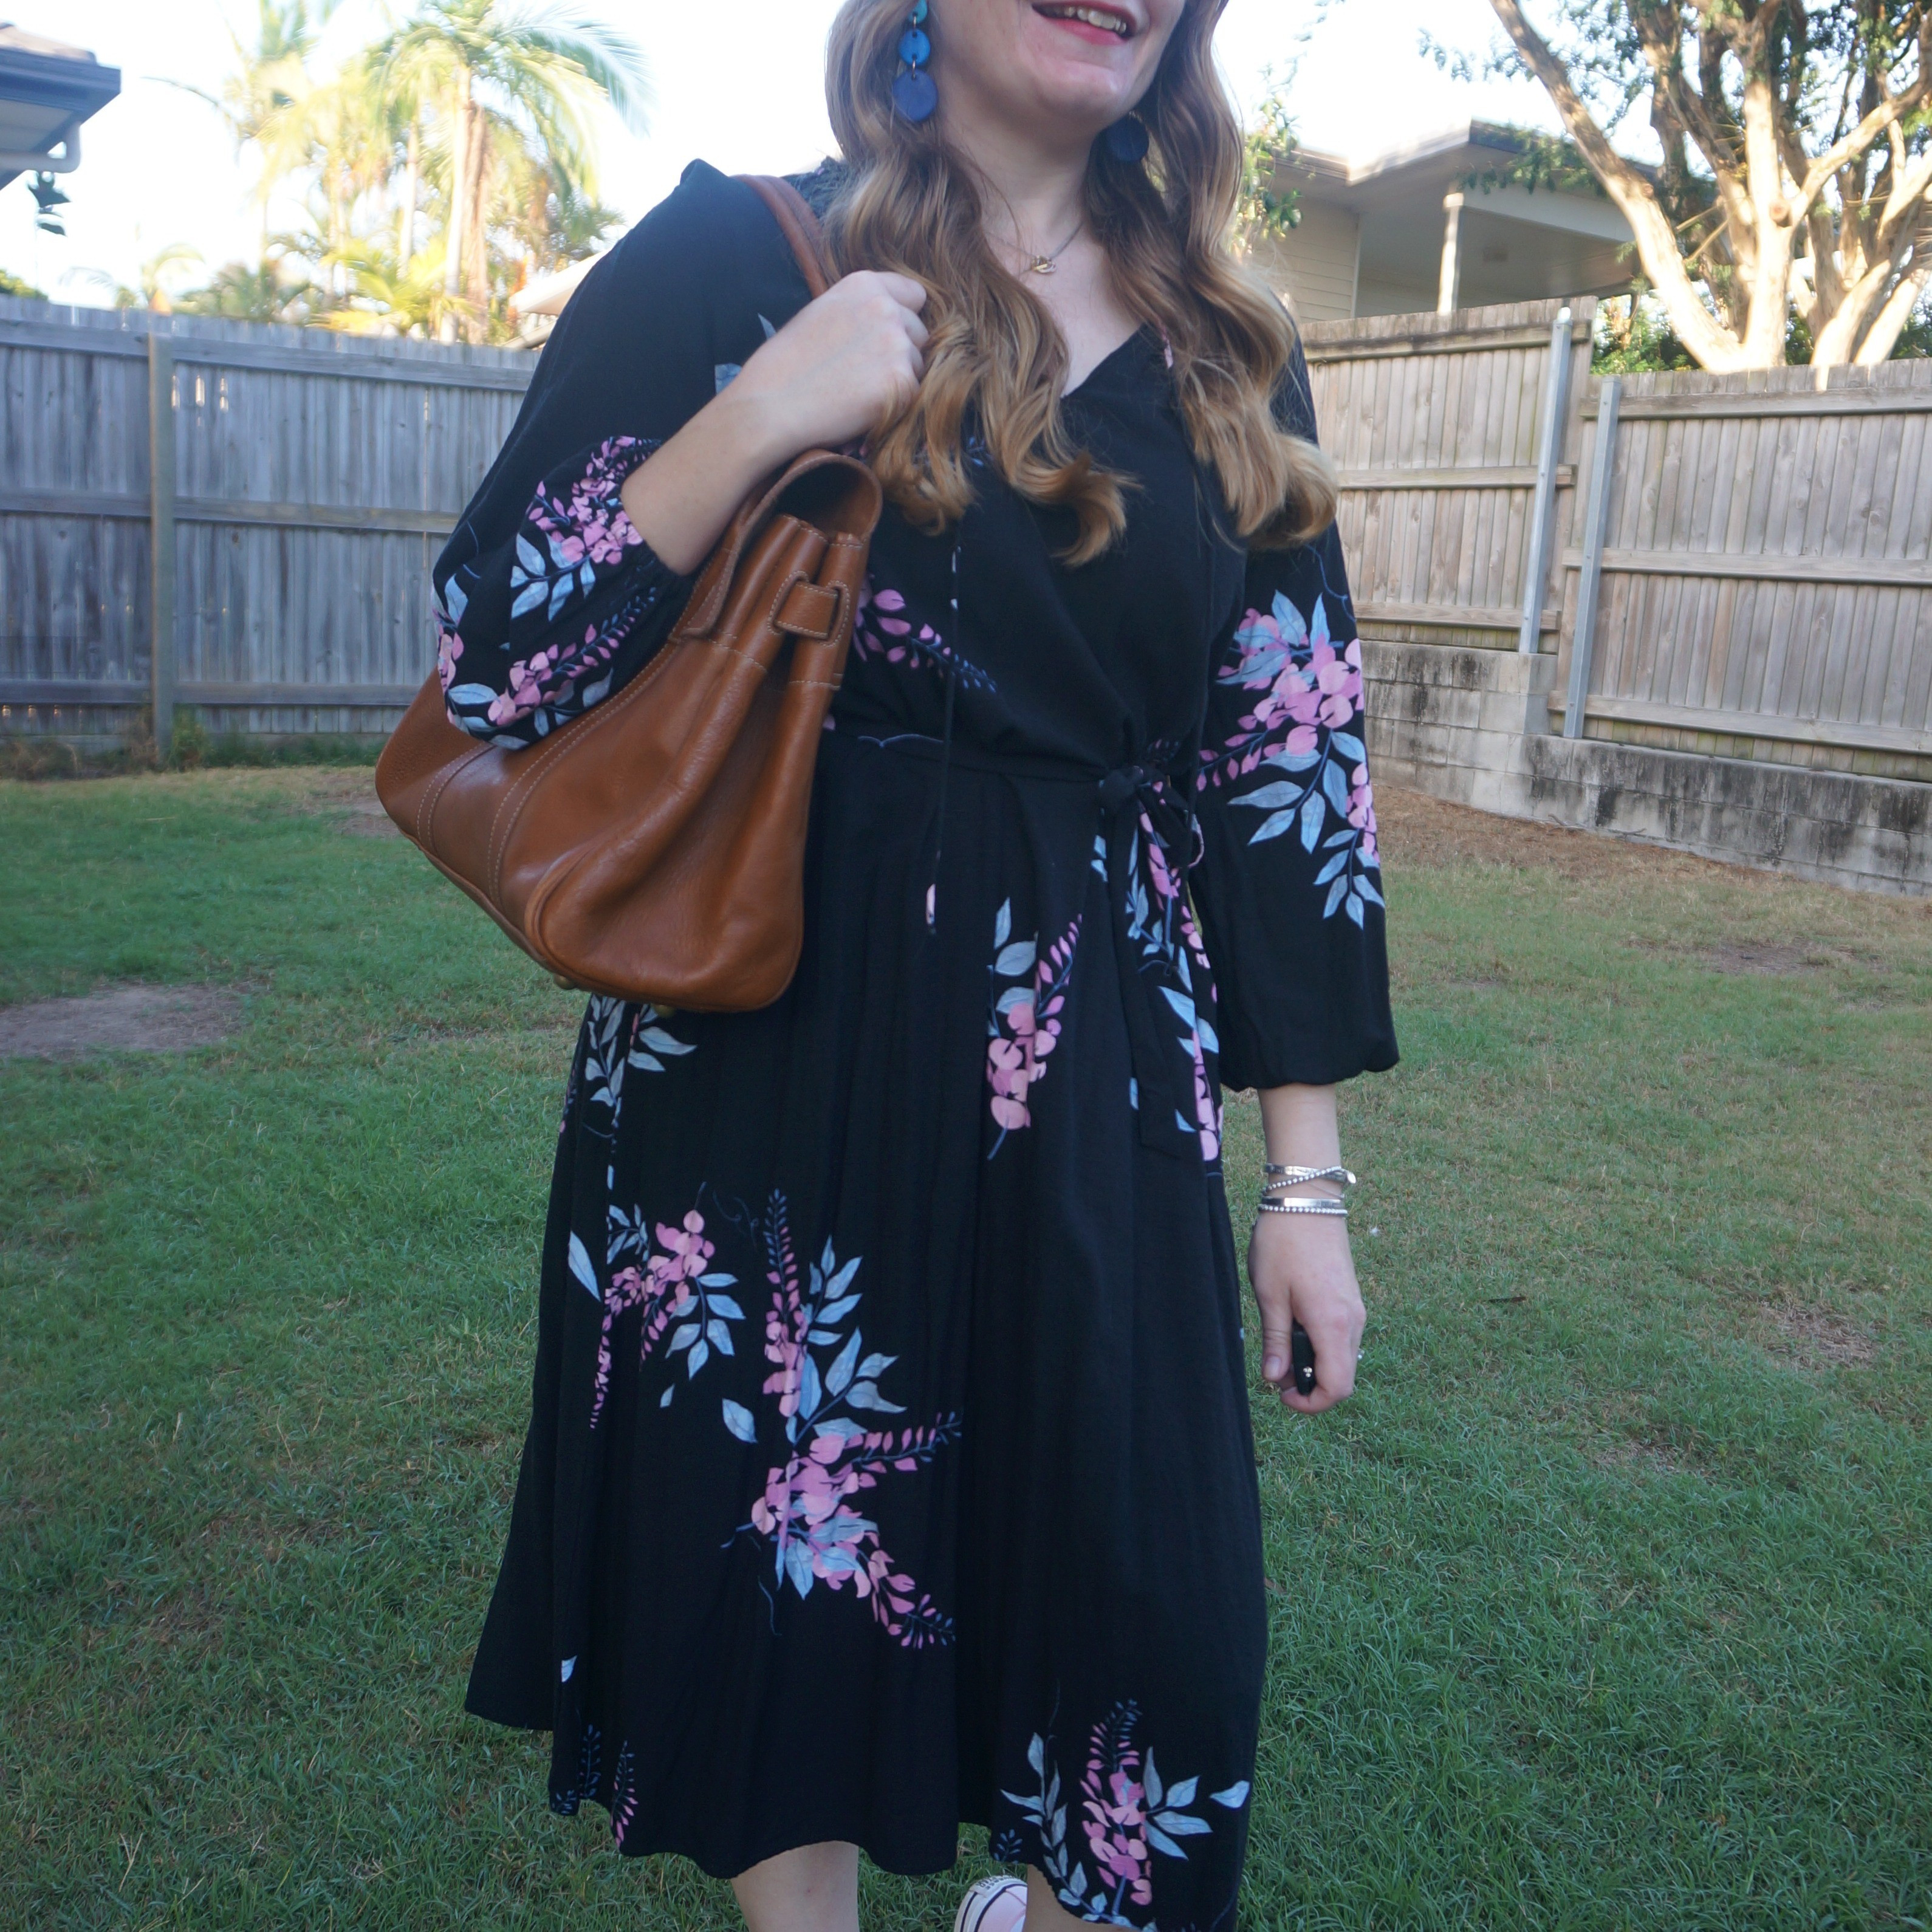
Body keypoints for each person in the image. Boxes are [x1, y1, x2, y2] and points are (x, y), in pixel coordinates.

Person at [434, 3, 1396, 1929]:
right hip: (767, 1025)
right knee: (777, 1557)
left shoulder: (1228, 348)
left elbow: (1290, 765)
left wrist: (1302, 1182)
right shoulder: (735, 250)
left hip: (1093, 1048)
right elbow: (497, 650)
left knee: (1155, 1611)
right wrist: (760, 407)